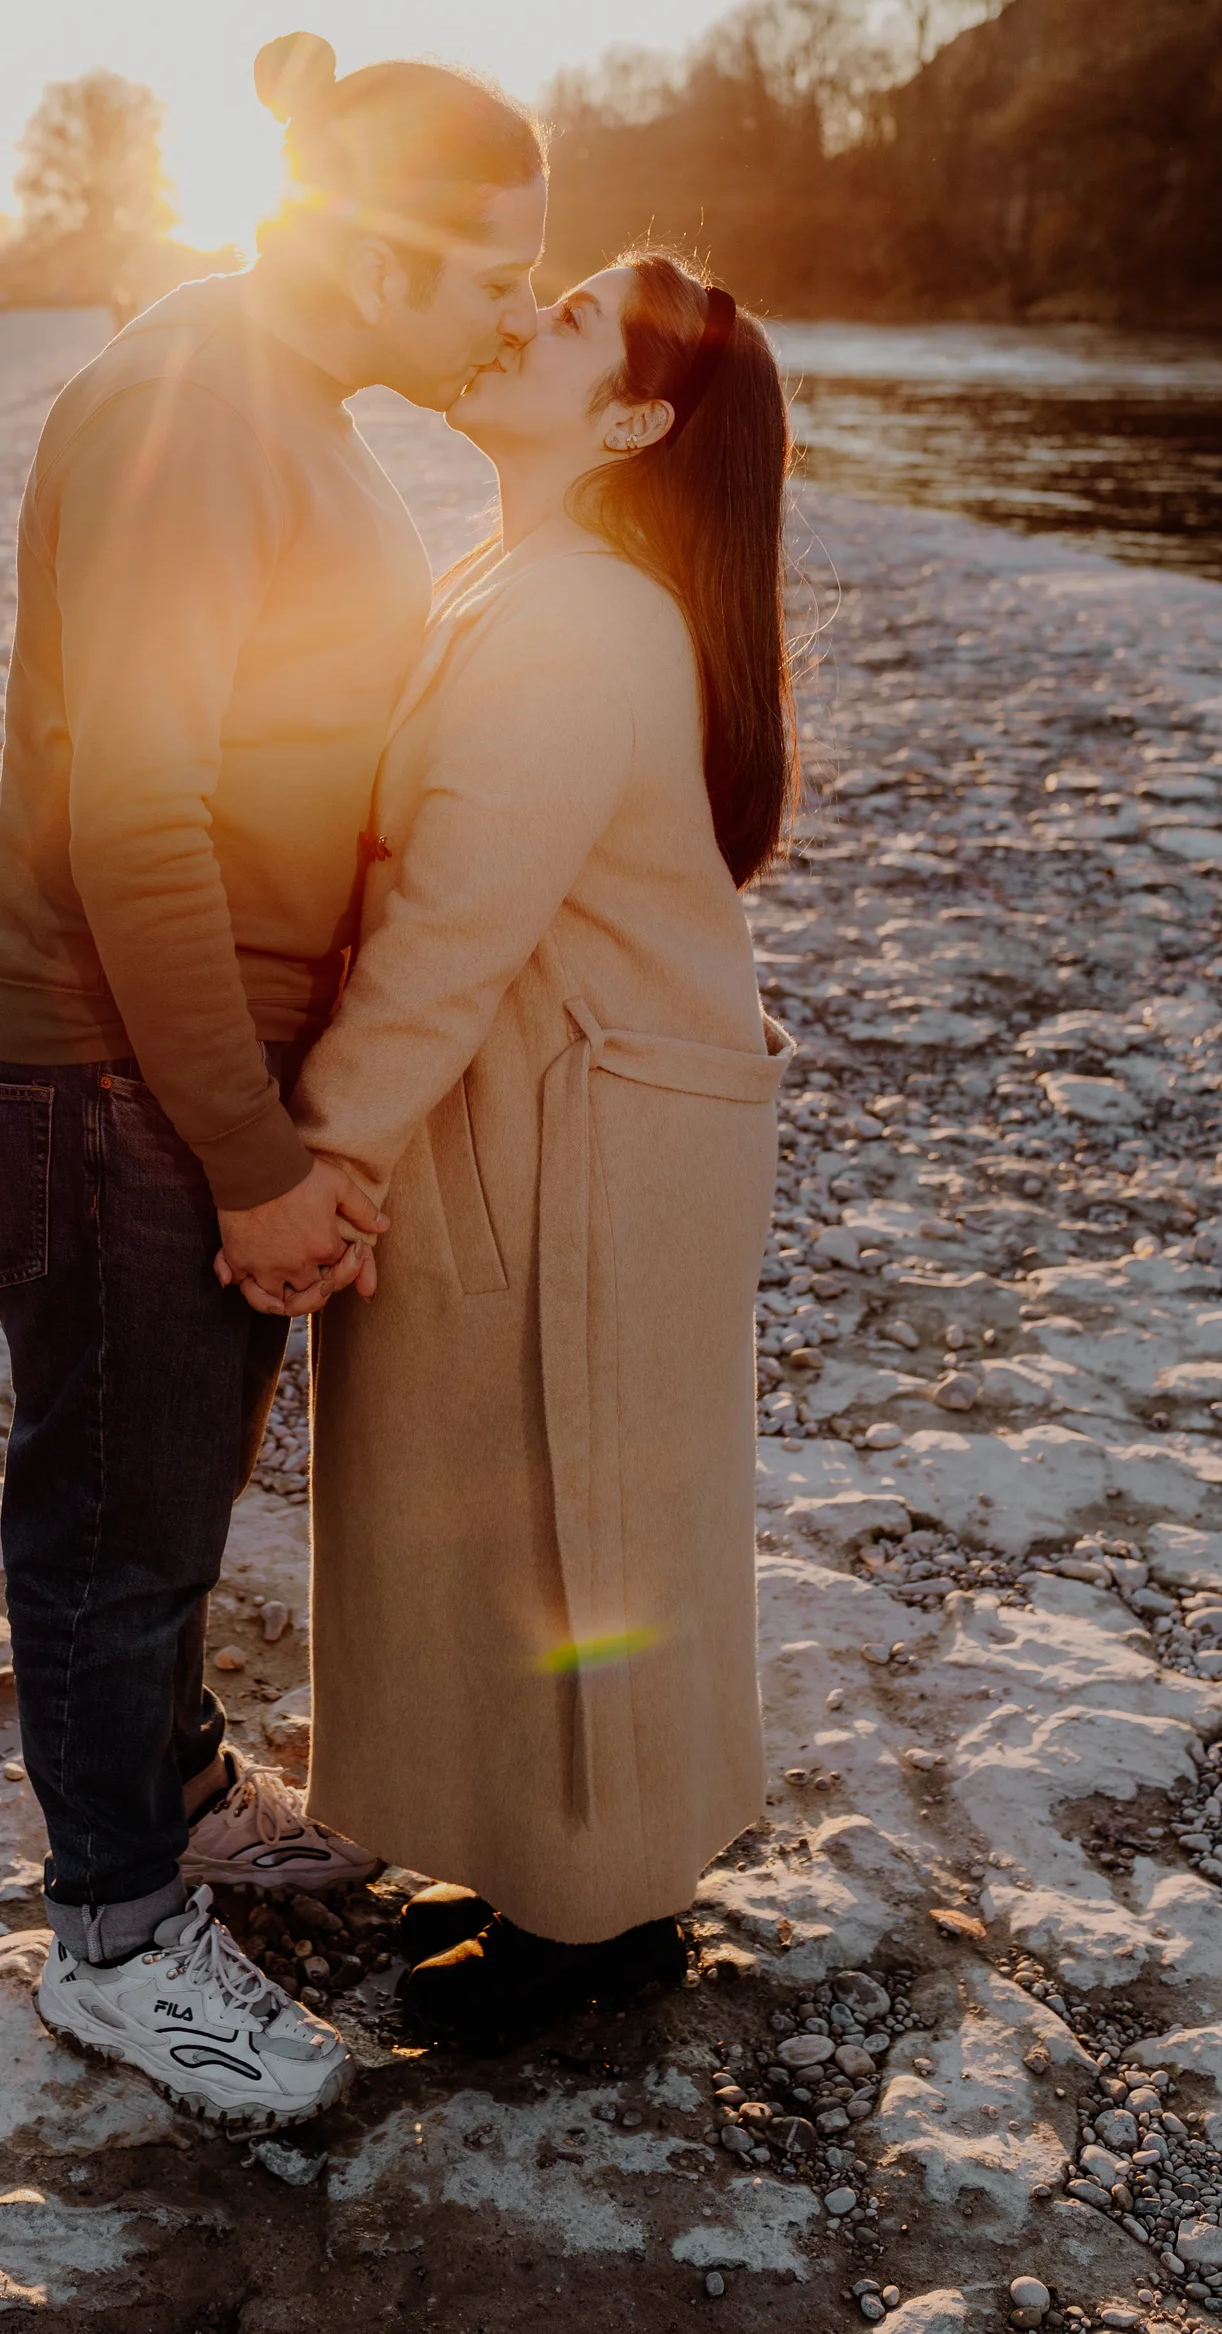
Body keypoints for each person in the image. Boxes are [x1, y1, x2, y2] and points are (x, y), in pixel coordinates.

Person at [0, 33, 546, 2125]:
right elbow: (137, 821)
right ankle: (115, 1937)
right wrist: (249, 1151)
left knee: (169, 1485)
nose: (509, 324)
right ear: (382, 250)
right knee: (112, 1508)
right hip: (117, 1063)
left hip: (188, 1068)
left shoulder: (280, 396)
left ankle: (179, 1795)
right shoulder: (189, 412)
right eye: (489, 281)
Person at [252, 251, 796, 2049]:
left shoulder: (578, 619)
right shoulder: (534, 575)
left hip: (582, 1142)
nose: (521, 318)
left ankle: (598, 1927)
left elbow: (450, 931)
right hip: (566, 1111)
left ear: (635, 417)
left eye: (568, 323)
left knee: (580, 1525)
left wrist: (312, 1164)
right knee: (515, 1518)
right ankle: (539, 1869)